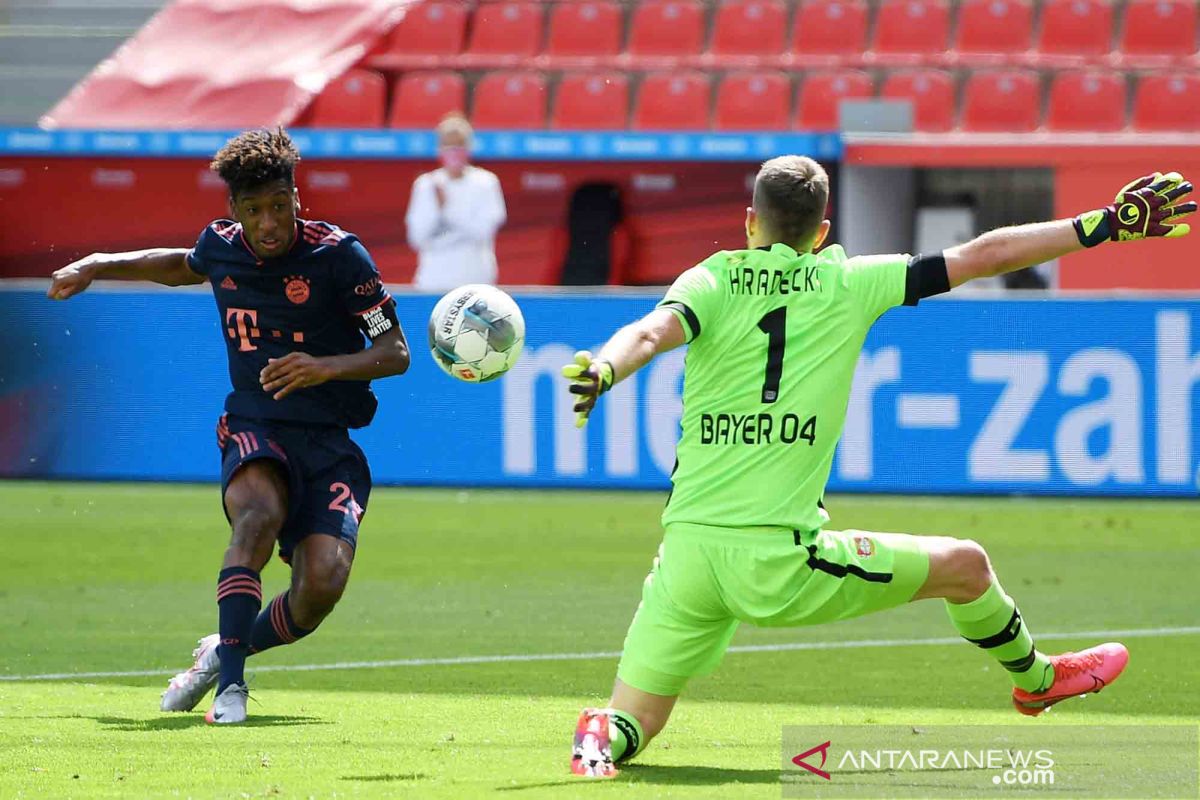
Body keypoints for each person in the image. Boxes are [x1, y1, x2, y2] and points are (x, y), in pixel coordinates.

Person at [561, 158, 1195, 776]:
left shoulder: (710, 280)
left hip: (686, 560)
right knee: (967, 567)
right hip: (777, 563)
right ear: (822, 232)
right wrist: (1104, 222)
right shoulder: (851, 281)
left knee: (633, 723)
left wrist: (604, 370)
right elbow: (986, 253)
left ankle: (601, 735)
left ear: (751, 221)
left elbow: (649, 332)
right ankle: (1036, 681)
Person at [47, 128, 411, 725]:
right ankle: (231, 693)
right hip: (256, 423)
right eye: (254, 210)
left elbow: (395, 352)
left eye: (279, 206)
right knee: (256, 517)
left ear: (298, 198)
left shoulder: (340, 256)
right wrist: (98, 263)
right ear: (233, 211)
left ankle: (223, 650)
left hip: (328, 441)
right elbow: (177, 266)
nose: (269, 223)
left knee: (321, 586)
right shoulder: (221, 247)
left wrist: (325, 368)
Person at [405, 113, 507, 292]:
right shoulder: (425, 184)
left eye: (459, 145)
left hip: (476, 284)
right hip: (433, 282)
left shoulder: (487, 182)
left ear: (469, 147)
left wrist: (447, 207)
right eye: (449, 146)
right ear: (440, 149)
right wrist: (437, 212)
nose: (454, 152)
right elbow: (417, 238)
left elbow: (482, 232)